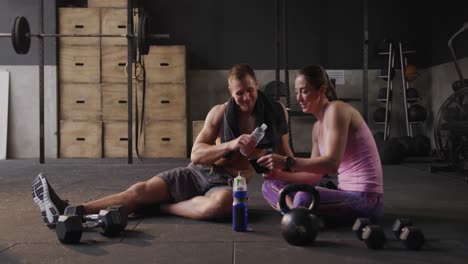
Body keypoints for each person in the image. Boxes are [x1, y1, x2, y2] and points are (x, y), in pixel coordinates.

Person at [32, 63, 293, 227]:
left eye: (250, 90)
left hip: (228, 184)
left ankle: (162, 207)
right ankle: (69, 210)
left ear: (257, 84)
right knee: (139, 190)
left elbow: (287, 157)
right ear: (230, 90)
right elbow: (196, 154)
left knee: (222, 206)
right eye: (239, 92)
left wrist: (264, 158)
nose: (246, 97)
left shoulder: (276, 112)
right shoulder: (219, 112)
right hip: (198, 172)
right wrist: (232, 144)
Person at [257, 65, 384, 224]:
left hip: (367, 200)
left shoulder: (337, 109)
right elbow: (314, 175)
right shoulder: (317, 128)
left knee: (304, 196)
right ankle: (298, 214)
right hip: (343, 195)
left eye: (304, 91)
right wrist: (278, 175)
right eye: (296, 92)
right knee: (270, 185)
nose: (299, 98)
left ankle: (296, 214)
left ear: (322, 90)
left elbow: (331, 165)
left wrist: (285, 161)